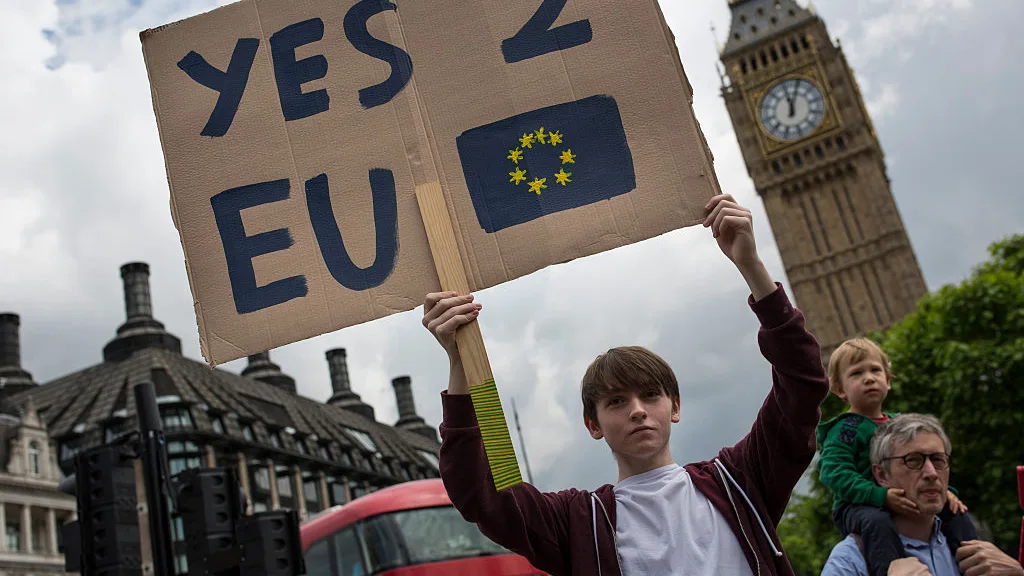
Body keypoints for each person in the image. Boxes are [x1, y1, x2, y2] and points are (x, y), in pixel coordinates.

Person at [421, 194, 830, 575]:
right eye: (616, 401)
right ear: (592, 425)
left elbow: (803, 386)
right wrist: (464, 364)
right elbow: (486, 489)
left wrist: (751, 266)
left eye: (650, 395)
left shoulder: (739, 481)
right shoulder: (579, 522)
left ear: (675, 407)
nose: (637, 409)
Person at [816, 339, 977, 576]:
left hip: (893, 498)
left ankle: (972, 560)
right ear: (840, 389)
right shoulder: (845, 430)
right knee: (877, 522)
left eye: (875, 370)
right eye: (857, 373)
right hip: (858, 506)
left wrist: (946, 491)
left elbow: (925, 467)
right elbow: (833, 472)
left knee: (956, 512)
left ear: (888, 381)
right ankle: (891, 569)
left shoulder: (899, 424)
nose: (869, 378)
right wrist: (880, 496)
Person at [821, 414, 1023, 576]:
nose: (931, 473)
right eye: (913, 460)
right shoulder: (851, 560)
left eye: (938, 459)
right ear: (881, 475)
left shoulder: (978, 548)